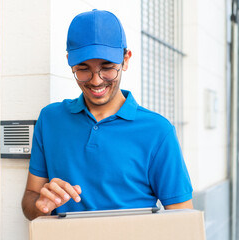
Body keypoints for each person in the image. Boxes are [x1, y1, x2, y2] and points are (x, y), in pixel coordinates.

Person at [21, 9, 193, 221]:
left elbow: (183, 220)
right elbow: (30, 199)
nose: (96, 81)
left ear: (126, 60)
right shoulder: (50, 120)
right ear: (69, 61)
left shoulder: (158, 131)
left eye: (108, 68)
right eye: (83, 69)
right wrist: (41, 207)